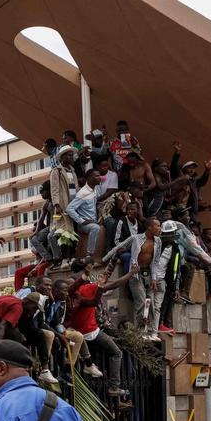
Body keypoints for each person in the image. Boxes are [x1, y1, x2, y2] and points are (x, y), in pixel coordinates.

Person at [66, 267, 134, 398]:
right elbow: (114, 284)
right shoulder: (85, 290)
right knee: (117, 353)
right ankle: (114, 386)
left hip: (77, 336)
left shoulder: (66, 296)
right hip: (92, 333)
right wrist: (130, 273)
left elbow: (94, 302)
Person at [100, 216, 164, 338]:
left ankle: (152, 331)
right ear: (150, 227)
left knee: (151, 304)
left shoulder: (158, 241)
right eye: (158, 226)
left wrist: (154, 278)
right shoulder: (136, 238)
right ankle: (140, 332)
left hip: (149, 274)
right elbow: (120, 247)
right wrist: (105, 258)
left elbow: (155, 262)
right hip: (135, 275)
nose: (160, 228)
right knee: (140, 302)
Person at [65, 169, 103, 262]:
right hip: (84, 225)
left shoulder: (95, 189)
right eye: (97, 176)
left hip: (93, 220)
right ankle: (89, 255)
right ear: (89, 178)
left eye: (99, 175)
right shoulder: (83, 193)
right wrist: (82, 221)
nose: (100, 178)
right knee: (95, 228)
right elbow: (69, 209)